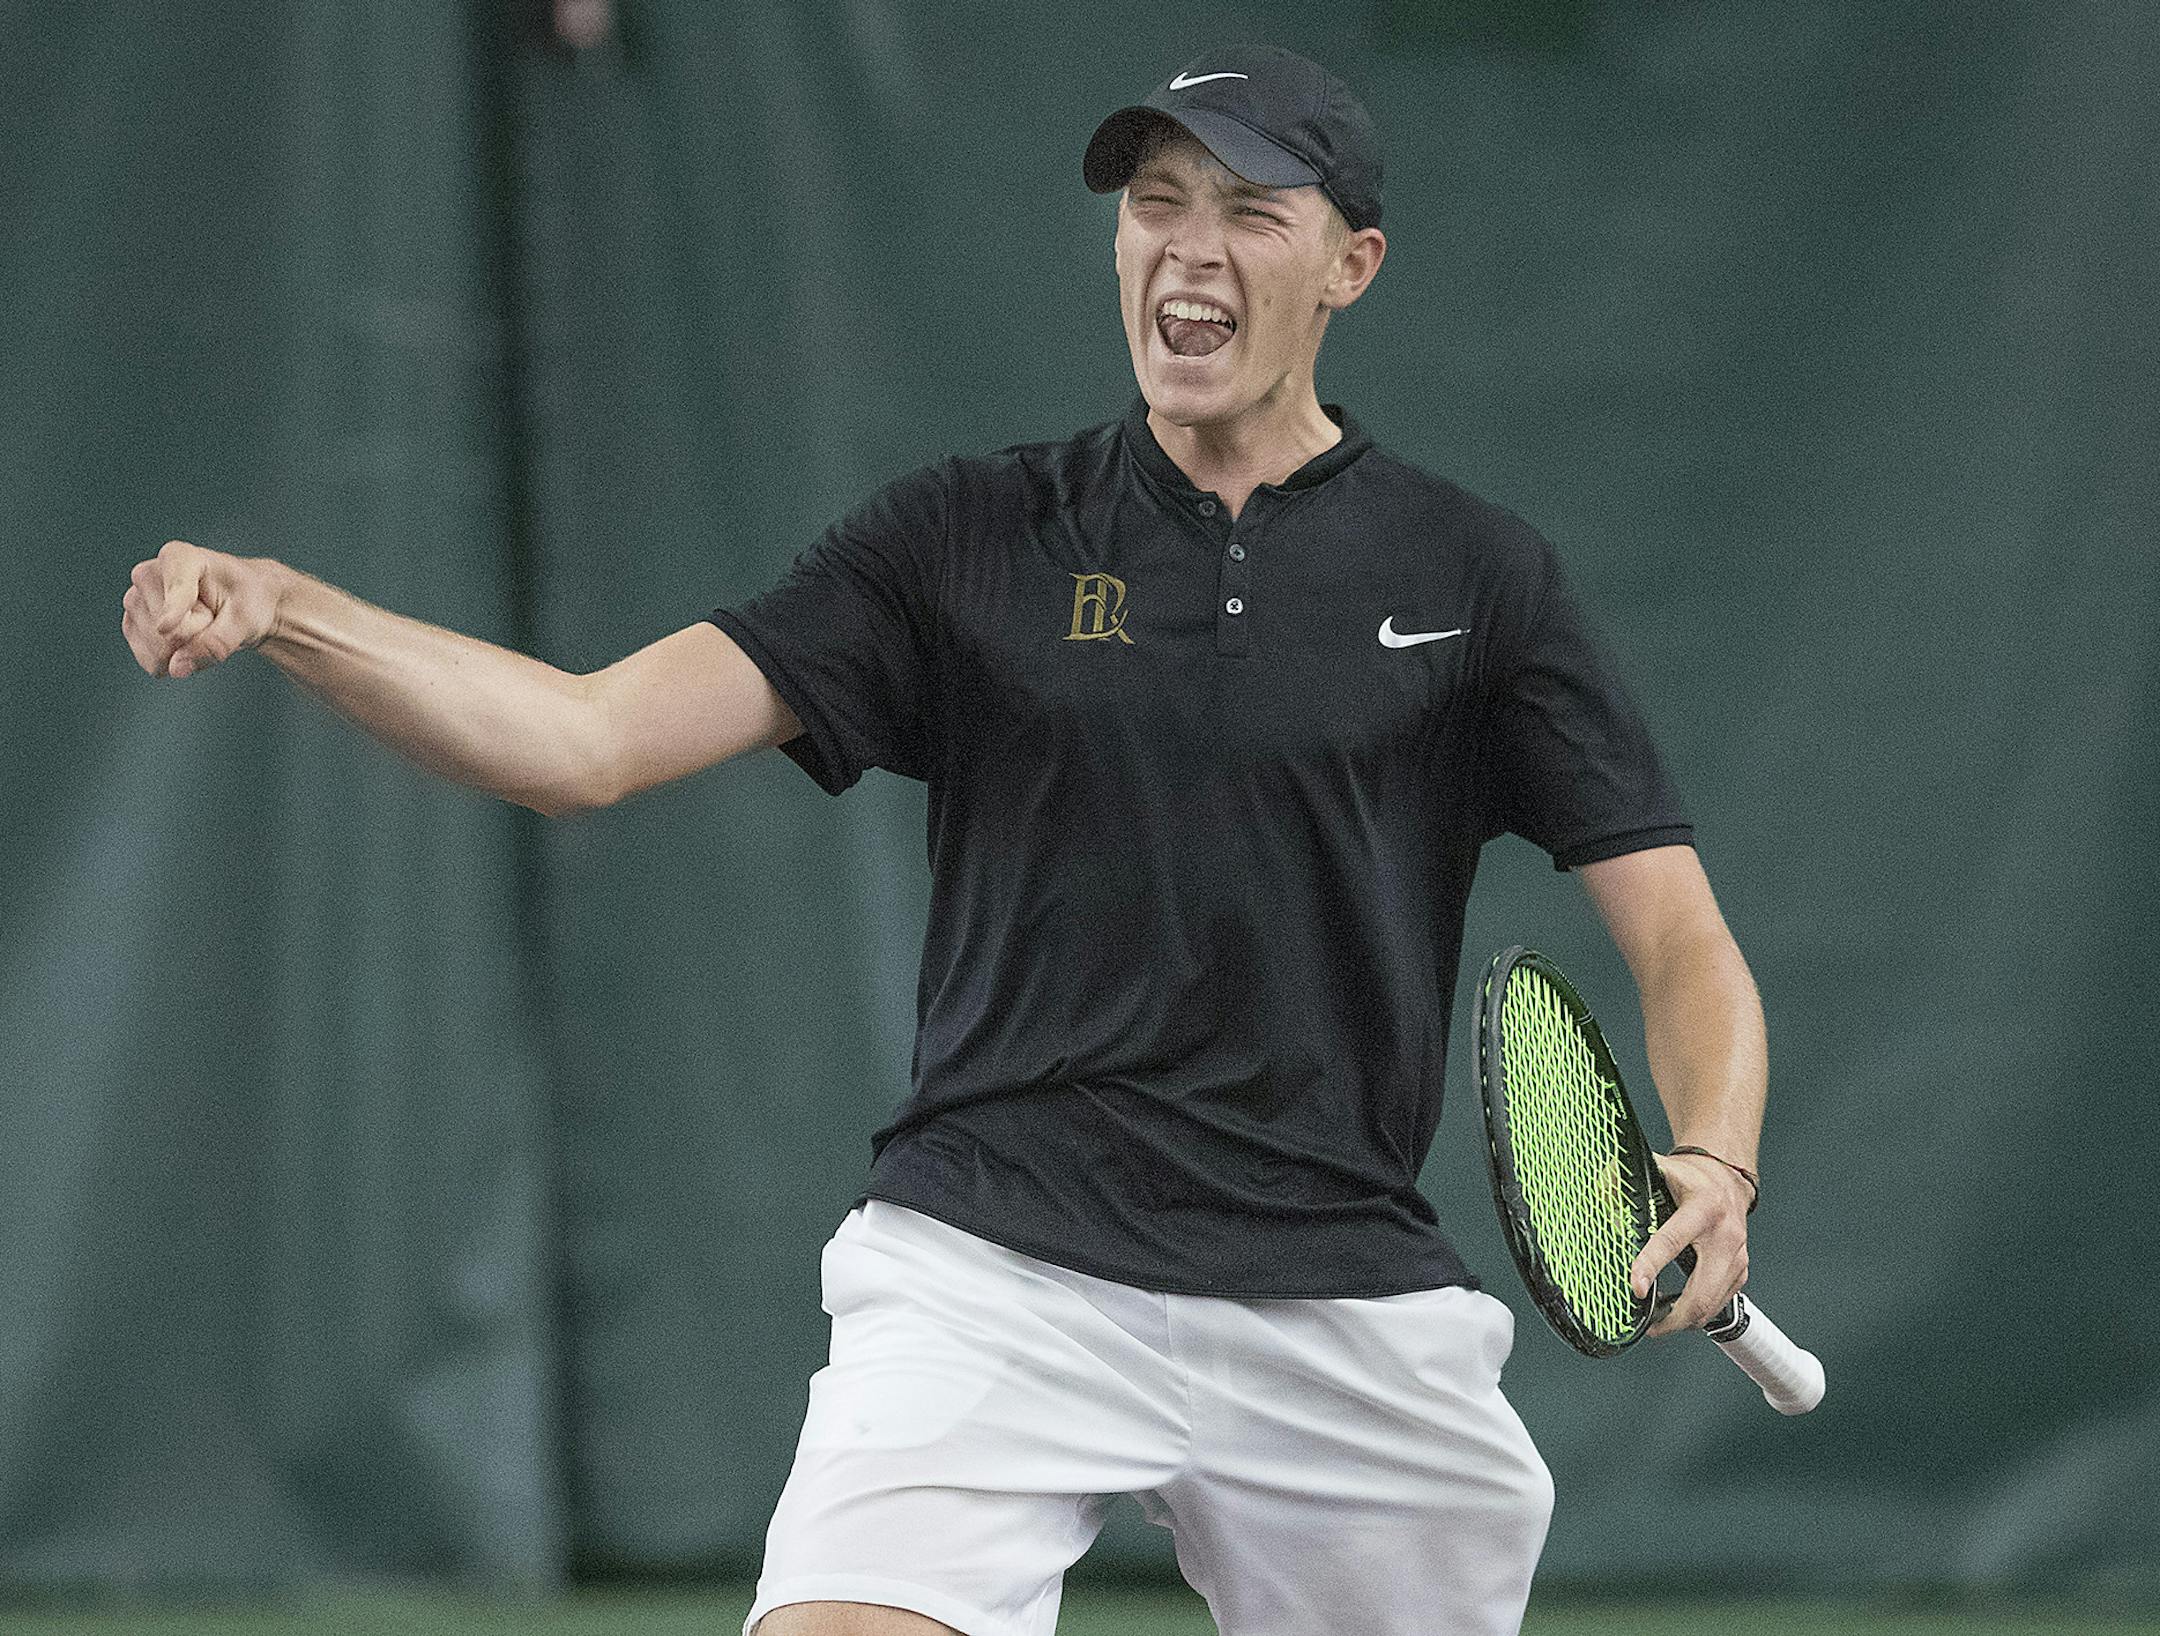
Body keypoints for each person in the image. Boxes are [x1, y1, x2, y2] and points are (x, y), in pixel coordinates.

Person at [120, 44, 1765, 1636]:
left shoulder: (1479, 577)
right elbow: (585, 740)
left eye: (1251, 215)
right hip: (1000, 1260)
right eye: (1154, 206)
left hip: (1341, 1290)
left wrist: (1716, 1158)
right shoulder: (966, 537)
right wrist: (289, 610)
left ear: (1352, 266)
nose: (1188, 252)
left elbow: (1683, 943)